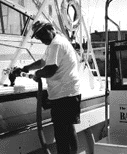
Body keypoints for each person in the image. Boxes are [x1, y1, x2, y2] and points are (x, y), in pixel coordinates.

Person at [21, 21, 81, 154]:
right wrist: (27, 68)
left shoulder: (56, 44)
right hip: (66, 94)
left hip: (64, 95)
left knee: (62, 134)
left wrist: (37, 74)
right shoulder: (53, 43)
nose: (41, 38)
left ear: (51, 29)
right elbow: (43, 62)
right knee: (68, 129)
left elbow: (50, 69)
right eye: (37, 36)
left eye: (42, 33)